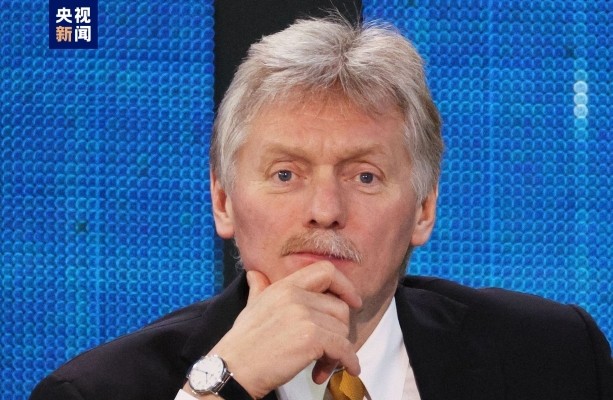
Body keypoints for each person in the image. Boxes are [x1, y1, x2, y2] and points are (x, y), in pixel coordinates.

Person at [31, 15, 612, 400]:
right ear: (223, 200)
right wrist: (220, 386)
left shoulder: (556, 356)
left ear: (424, 209)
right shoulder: (94, 392)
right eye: (286, 174)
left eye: (365, 176)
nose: (325, 210)